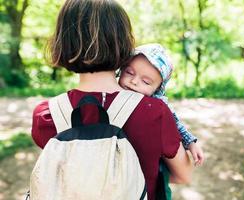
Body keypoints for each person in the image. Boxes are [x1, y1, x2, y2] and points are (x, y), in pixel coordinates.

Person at [31, 0, 193, 200]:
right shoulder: (153, 112)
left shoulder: (46, 115)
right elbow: (183, 174)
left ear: (62, 43)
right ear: (124, 44)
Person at [119, 43, 204, 166]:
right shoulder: (112, 91)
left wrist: (191, 143)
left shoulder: (157, 106)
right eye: (129, 73)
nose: (134, 81)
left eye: (146, 82)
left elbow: (176, 124)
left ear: (157, 89)